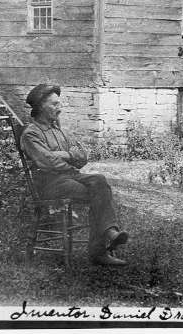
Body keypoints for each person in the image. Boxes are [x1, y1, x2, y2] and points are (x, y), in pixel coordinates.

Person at [19, 83, 130, 267]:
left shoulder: (60, 131)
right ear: (40, 107)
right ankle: (102, 246)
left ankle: (109, 234)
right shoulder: (31, 134)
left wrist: (66, 155)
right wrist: (69, 158)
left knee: (99, 180)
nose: (59, 108)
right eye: (54, 104)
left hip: (69, 176)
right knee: (98, 195)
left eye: (59, 104)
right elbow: (47, 162)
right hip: (48, 184)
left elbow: (83, 156)